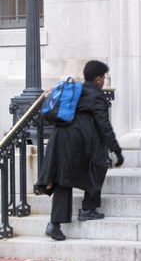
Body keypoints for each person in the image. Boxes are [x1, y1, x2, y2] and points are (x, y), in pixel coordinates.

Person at [36, 60, 124, 241]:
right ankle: (87, 208)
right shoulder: (96, 95)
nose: (104, 81)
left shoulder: (76, 92)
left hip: (59, 138)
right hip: (78, 141)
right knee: (99, 165)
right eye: (103, 78)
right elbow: (104, 124)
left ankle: (54, 224)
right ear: (98, 78)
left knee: (63, 180)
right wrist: (116, 149)